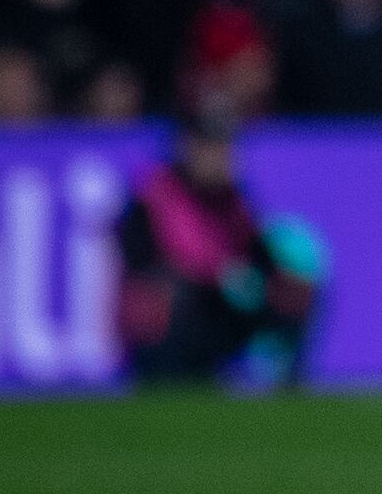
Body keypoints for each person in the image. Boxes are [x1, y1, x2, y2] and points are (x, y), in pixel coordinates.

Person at [112, 109, 325, 386]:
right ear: (187, 147)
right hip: (175, 312)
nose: (220, 157)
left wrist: (279, 283)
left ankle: (284, 383)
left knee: (294, 292)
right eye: (211, 147)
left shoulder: (232, 198)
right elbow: (141, 263)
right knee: (173, 297)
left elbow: (259, 255)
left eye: (225, 147)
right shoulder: (154, 195)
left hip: (222, 302)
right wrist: (214, 275)